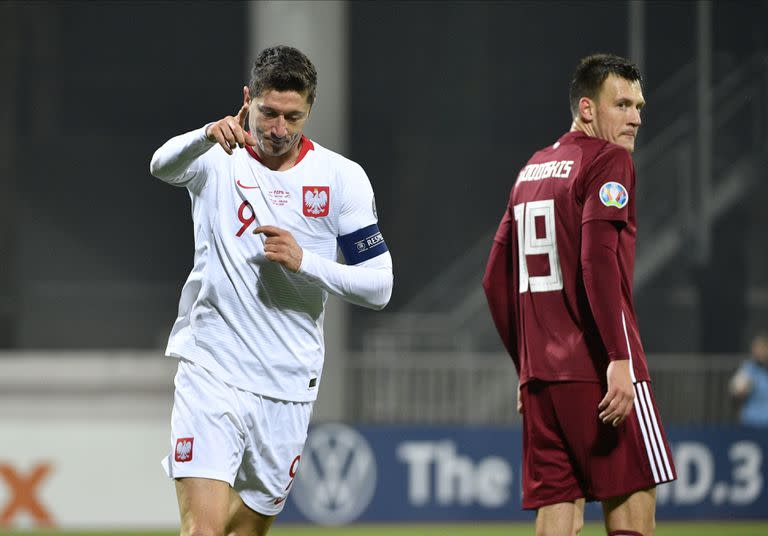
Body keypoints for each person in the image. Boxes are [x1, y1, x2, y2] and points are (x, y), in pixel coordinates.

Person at [149, 45, 393, 536]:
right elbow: (161, 165)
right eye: (268, 113)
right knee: (203, 530)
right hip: (211, 368)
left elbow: (380, 286)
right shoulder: (215, 159)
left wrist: (308, 263)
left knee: (246, 531)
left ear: (310, 110)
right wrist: (202, 136)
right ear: (248, 99)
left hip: (287, 385)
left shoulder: (341, 178)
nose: (278, 129)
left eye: (292, 117)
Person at [483, 54, 676, 536]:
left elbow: (493, 281)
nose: (635, 117)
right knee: (633, 502)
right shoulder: (609, 160)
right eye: (623, 104)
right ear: (587, 108)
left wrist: (524, 366)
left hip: (541, 381)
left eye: (639, 106)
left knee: (558, 512)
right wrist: (618, 357)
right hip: (599, 370)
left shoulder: (532, 169)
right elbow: (597, 263)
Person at [729, 331, 768, 427]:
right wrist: (743, 389)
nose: (759, 351)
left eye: (762, 348)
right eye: (756, 348)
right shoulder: (747, 369)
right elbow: (736, 392)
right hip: (752, 422)